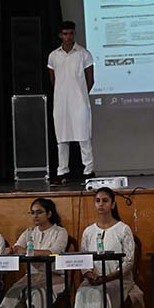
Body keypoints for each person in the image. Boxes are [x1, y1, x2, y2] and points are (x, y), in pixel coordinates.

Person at [71, 187, 145, 308]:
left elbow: (128, 261)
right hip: (94, 278)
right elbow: (83, 259)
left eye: (105, 201)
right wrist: (89, 274)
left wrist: (109, 277)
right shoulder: (88, 231)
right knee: (81, 293)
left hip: (119, 279)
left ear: (113, 204)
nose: (101, 204)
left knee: (104, 293)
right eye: (97, 201)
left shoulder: (123, 229)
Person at [0, 198, 69, 308]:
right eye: (32, 213)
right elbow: (18, 247)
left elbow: (54, 252)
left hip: (54, 277)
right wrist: (10, 250)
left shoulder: (60, 232)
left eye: (39, 212)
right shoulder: (29, 232)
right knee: (11, 295)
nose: (35, 216)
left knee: (34, 296)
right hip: (31, 277)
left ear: (49, 213)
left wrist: (26, 251)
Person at [48, 20, 95, 185]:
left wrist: (79, 94)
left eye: (71, 33)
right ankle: (62, 171)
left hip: (79, 102)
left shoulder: (84, 53)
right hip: (61, 103)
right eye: (65, 34)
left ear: (74, 34)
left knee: (83, 136)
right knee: (62, 138)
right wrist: (63, 93)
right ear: (60, 35)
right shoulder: (53, 56)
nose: (68, 37)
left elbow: (90, 79)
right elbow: (53, 80)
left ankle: (88, 171)